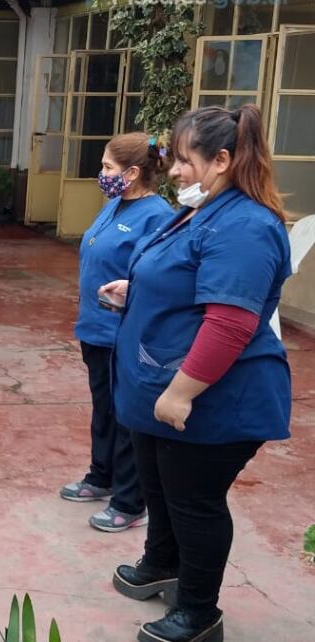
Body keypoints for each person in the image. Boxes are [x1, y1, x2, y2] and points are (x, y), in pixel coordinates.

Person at [101, 105, 291, 642]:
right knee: (159, 487)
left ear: (223, 159)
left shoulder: (246, 225)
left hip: (213, 397)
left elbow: (231, 323)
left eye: (184, 160)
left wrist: (182, 393)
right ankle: (162, 562)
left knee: (195, 501)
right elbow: (184, 283)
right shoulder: (204, 210)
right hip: (158, 382)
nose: (176, 170)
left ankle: (199, 611)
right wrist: (133, 293)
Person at [60, 133, 173, 533]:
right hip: (95, 327)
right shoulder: (114, 205)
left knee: (128, 417)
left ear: (133, 172)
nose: (101, 174)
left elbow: (155, 277)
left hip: (124, 333)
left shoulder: (157, 215)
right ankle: (100, 475)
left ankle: (130, 500)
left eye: (108, 167)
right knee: (104, 409)